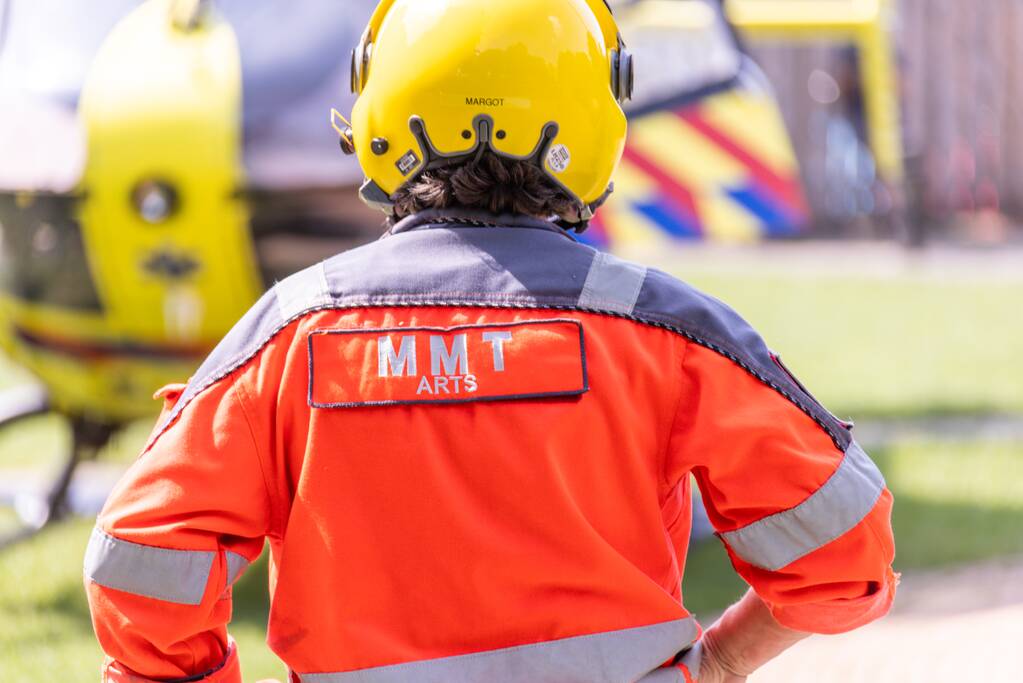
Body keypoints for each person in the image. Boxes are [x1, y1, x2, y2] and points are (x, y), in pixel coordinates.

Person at [84, 1, 897, 681]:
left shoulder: (290, 333)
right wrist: (714, 664)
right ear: (597, 114)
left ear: (375, 105)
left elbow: (140, 570)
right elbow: (842, 558)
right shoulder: (666, 331)